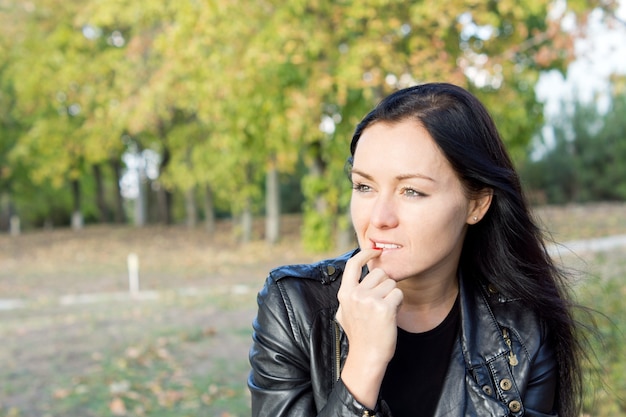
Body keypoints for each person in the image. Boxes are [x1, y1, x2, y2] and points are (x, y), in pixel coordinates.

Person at [248, 83, 583, 417]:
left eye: (411, 191)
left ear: (477, 204)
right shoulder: (294, 308)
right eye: (364, 186)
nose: (379, 218)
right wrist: (363, 365)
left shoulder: (523, 327)